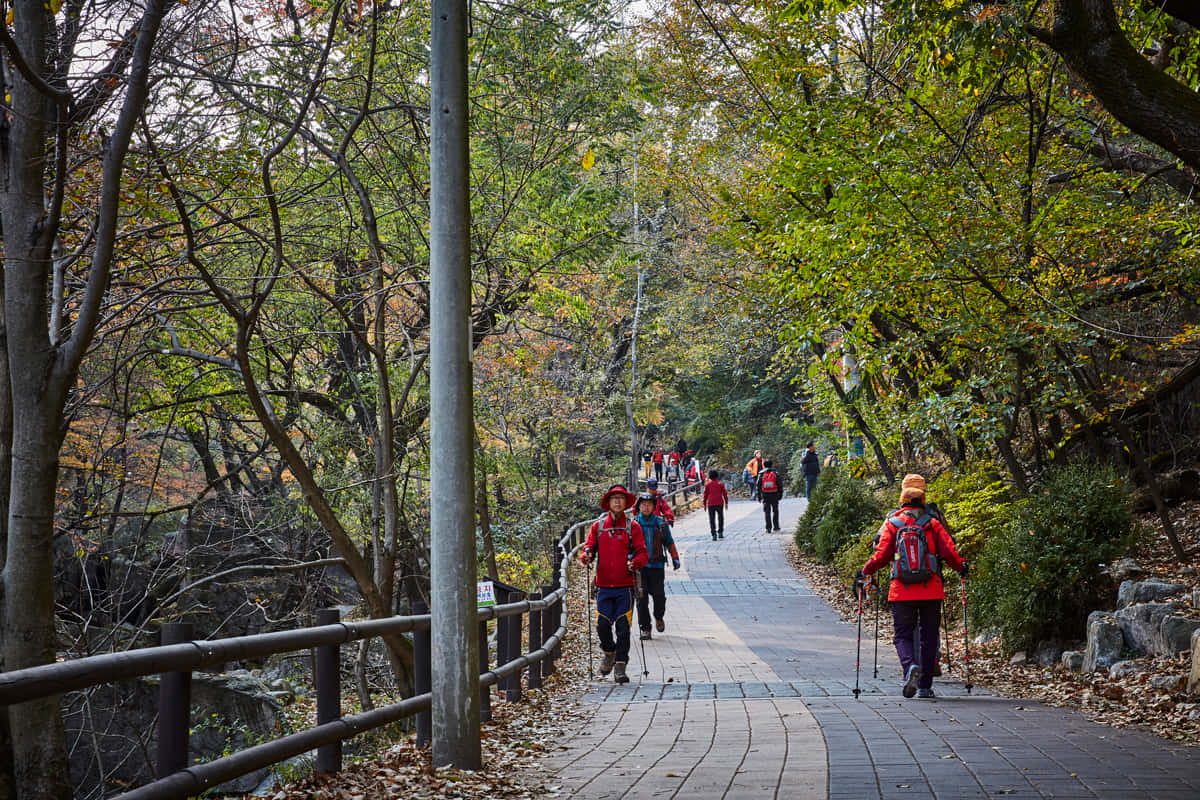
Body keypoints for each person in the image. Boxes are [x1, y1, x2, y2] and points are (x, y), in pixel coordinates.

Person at [857, 474, 966, 699]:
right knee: (928, 637)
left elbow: (881, 556)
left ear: (902, 497)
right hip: (931, 589)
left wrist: (866, 570)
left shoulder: (892, 523)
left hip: (901, 590)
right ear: (923, 497)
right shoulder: (933, 522)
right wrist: (962, 567)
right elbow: (948, 551)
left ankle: (909, 668)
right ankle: (925, 686)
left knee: (902, 635)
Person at [580, 484, 649, 684]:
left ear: (626, 503)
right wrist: (587, 555)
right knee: (602, 625)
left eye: (621, 498)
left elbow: (642, 553)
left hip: (625, 587)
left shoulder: (632, 527)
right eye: (614, 498)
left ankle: (620, 666)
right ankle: (609, 652)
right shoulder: (599, 526)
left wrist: (634, 562)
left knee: (623, 628)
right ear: (608, 503)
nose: (617, 501)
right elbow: (588, 547)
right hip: (603, 587)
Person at [633, 493, 680, 640]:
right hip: (639, 568)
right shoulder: (633, 524)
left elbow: (669, 542)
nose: (646, 507)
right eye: (643, 504)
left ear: (654, 507)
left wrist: (675, 558)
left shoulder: (661, 523)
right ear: (638, 507)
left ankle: (658, 616)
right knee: (641, 598)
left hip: (657, 565)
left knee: (659, 595)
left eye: (649, 504)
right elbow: (626, 545)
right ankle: (645, 628)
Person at [757, 459, 783, 532]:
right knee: (775, 510)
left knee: (767, 511)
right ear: (772, 465)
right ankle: (776, 526)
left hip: (765, 494)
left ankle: (768, 528)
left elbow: (758, 486)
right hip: (774, 494)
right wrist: (780, 494)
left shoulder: (761, 473)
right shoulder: (775, 473)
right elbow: (779, 484)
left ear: (764, 465)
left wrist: (759, 496)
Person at [703, 469, 730, 540]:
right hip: (719, 502)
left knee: (712, 519)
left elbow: (705, 495)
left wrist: (704, 504)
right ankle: (720, 532)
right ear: (717, 476)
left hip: (710, 503)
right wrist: (726, 502)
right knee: (720, 517)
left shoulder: (708, 484)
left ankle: (713, 534)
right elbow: (725, 494)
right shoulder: (720, 484)